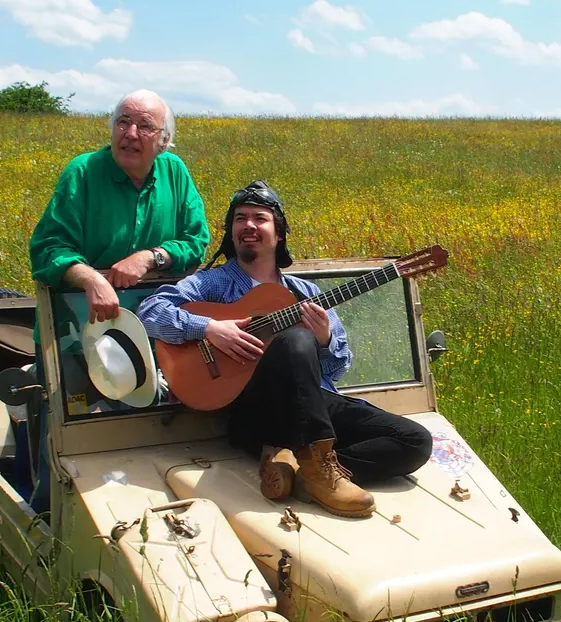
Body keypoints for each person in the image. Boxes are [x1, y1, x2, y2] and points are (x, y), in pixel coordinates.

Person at [137, 181, 432, 518]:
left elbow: (337, 370)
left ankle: (303, 472)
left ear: (278, 234)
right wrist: (210, 328)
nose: (248, 226)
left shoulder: (304, 291)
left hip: (310, 408)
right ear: (231, 234)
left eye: (259, 218)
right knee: (295, 339)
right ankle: (316, 467)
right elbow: (150, 311)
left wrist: (324, 341)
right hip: (253, 413)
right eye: (240, 219)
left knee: (414, 441)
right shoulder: (214, 283)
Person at [27, 89, 208, 515]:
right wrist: (89, 277)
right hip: (74, 328)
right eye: (123, 122)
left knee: (146, 430)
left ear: (163, 140)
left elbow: (195, 241)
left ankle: (133, 516)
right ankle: (48, 521)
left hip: (149, 330)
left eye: (145, 126)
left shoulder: (175, 173)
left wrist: (149, 256)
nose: (130, 133)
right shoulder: (83, 172)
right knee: (65, 438)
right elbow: (47, 248)